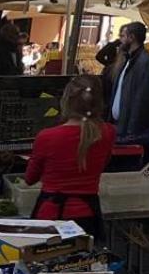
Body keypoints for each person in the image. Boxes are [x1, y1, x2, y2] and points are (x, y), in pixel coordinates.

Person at [25, 76, 115, 241]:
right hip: (88, 214)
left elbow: (30, 179)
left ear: (65, 101)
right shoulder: (107, 133)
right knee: (83, 263)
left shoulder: (47, 137)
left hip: (49, 215)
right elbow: (103, 164)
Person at [109, 22, 149, 148]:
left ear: (131, 37)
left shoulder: (145, 62)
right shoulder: (128, 59)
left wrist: (132, 131)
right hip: (119, 125)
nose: (120, 40)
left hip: (129, 130)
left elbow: (143, 98)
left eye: (123, 36)